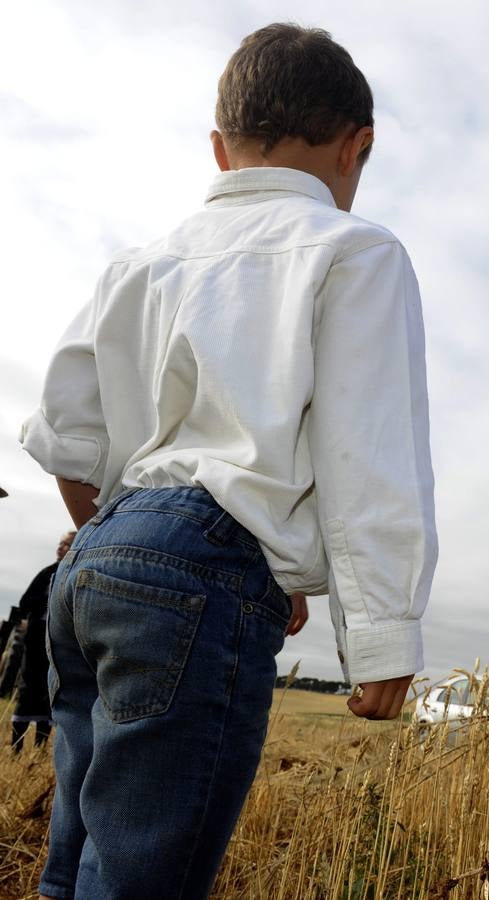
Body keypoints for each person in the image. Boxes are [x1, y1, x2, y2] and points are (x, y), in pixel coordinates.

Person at [19, 23, 437, 900]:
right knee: (138, 884)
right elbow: (367, 456)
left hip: (92, 564)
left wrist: (126, 548)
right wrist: (382, 636)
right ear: (358, 147)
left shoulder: (138, 264)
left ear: (219, 148)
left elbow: (64, 438)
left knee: (73, 868)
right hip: (203, 573)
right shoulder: (354, 251)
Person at [10, 532, 75, 752]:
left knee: (49, 689)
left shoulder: (76, 573)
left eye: (65, 545)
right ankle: (17, 745)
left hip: (60, 641)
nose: (60, 548)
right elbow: (26, 601)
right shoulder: (47, 573)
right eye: (60, 544)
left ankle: (40, 746)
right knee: (28, 685)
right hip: (36, 638)